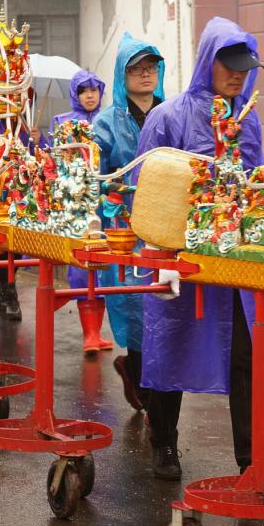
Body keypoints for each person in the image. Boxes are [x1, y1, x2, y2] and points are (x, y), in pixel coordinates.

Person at [132, 16, 263, 480]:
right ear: (209, 61)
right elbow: (142, 185)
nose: (236, 75)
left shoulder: (249, 121)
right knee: (173, 342)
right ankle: (163, 440)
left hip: (232, 261)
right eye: (228, 64)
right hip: (177, 256)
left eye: (243, 68)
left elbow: (255, 186)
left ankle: (251, 460)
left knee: (247, 353)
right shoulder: (168, 117)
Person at [91, 33, 165, 410]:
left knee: (165, 305)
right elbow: (93, 177)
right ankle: (139, 376)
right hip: (123, 229)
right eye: (137, 69)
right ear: (123, 75)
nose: (145, 75)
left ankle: (147, 381)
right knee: (135, 306)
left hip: (165, 227)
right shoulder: (105, 123)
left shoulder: (171, 112)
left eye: (151, 67)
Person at [52, 70, 115, 354]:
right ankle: (88, 334)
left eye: (94, 90)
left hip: (105, 204)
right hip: (77, 205)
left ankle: (96, 333)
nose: (90, 95)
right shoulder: (63, 123)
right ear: (75, 95)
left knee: (103, 266)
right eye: (83, 91)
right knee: (83, 267)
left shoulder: (110, 121)